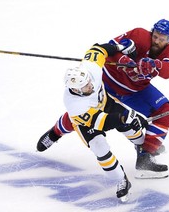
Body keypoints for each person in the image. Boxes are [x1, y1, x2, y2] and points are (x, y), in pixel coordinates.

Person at [37, 19, 169, 179]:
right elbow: (109, 46)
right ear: (152, 32)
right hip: (106, 82)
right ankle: (55, 133)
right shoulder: (139, 35)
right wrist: (122, 59)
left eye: (162, 39)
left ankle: (145, 155)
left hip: (134, 91)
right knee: (84, 116)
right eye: (155, 36)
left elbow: (168, 71)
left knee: (167, 113)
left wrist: (155, 65)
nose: (157, 41)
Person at [48, 42, 149, 202]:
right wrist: (125, 118)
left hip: (105, 103)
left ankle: (141, 147)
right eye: (85, 86)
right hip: (88, 122)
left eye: (89, 81)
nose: (90, 85)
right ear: (76, 90)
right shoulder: (75, 105)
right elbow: (102, 122)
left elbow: (98, 49)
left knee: (131, 127)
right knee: (100, 148)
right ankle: (121, 179)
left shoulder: (91, 68)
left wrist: (119, 47)